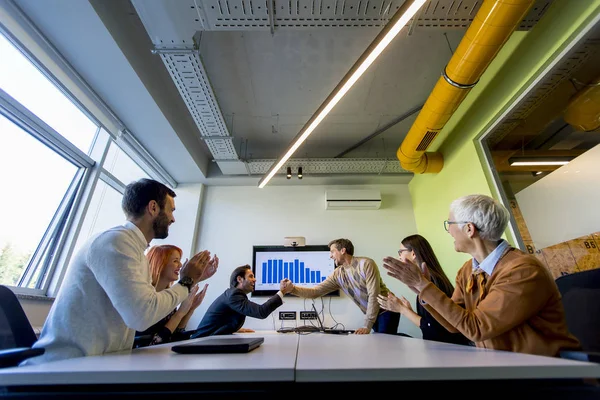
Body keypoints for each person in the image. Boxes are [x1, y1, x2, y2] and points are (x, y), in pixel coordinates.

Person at [23, 178, 219, 365]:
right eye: (171, 211)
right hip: (66, 369)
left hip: (96, 364)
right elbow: (142, 315)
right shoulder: (117, 242)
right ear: (153, 208)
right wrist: (186, 281)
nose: (173, 218)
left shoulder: (133, 249)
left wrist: (191, 280)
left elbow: (144, 309)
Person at [382, 194, 580, 356]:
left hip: (545, 375)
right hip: (499, 368)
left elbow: (476, 328)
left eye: (449, 223)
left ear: (469, 229)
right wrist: (420, 288)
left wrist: (424, 286)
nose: (449, 230)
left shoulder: (522, 270)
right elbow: (454, 326)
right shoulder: (467, 270)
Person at [289, 238, 400, 335]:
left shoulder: (366, 264)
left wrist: (367, 325)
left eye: (332, 252)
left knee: (384, 346)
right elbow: (315, 292)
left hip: (387, 310)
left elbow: (373, 295)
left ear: (343, 251)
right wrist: (292, 289)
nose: (330, 256)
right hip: (374, 314)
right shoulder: (338, 274)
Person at [377, 234, 471, 345]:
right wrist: (409, 310)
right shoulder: (428, 279)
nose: (399, 256)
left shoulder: (431, 281)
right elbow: (431, 321)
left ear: (413, 254)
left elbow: (431, 326)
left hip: (449, 349)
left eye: (400, 252)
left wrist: (402, 309)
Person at [134, 244, 211, 347]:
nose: (180, 265)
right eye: (175, 261)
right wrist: (180, 313)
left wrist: (189, 310)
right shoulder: (146, 297)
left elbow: (175, 337)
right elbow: (155, 341)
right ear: (160, 263)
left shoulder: (168, 295)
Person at [192, 265, 293, 337]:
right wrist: (282, 291)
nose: (255, 279)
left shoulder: (233, 294)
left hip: (209, 339)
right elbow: (261, 312)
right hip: (202, 342)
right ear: (239, 279)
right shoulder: (234, 295)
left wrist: (235, 328)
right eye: (251, 276)